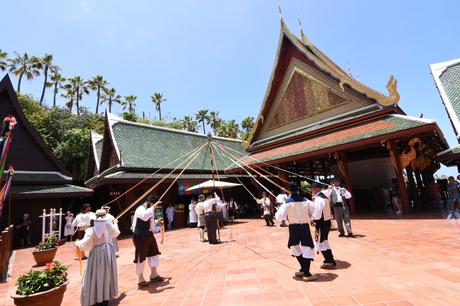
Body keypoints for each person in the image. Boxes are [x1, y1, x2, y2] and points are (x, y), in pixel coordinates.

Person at [76, 209, 120, 306]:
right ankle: (105, 298)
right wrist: (115, 223)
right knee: (106, 274)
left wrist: (77, 242)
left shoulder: (91, 230)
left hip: (97, 255)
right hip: (108, 253)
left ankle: (97, 298)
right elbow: (116, 233)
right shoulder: (109, 226)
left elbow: (84, 245)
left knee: (97, 275)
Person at [275, 181, 317, 281]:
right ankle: (305, 271)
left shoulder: (287, 202)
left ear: (288, 190)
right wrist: (309, 215)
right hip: (304, 226)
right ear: (298, 189)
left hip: (293, 227)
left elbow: (280, 216)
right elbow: (314, 209)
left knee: (294, 246)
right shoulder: (306, 200)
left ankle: (305, 270)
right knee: (307, 247)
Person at [131, 195, 165, 286]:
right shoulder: (140, 209)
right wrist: (153, 207)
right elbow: (144, 216)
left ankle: (154, 274)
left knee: (154, 253)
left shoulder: (150, 209)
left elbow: (151, 223)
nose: (155, 207)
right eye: (154, 204)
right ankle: (140, 278)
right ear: (149, 202)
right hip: (140, 236)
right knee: (140, 258)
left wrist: (157, 222)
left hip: (149, 235)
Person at [311, 183, 337, 269]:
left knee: (320, 242)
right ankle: (330, 259)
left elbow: (317, 214)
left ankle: (329, 260)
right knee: (324, 241)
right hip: (326, 222)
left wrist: (311, 217)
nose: (312, 190)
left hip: (321, 223)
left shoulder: (318, 198)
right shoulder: (324, 197)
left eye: (313, 188)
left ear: (316, 189)